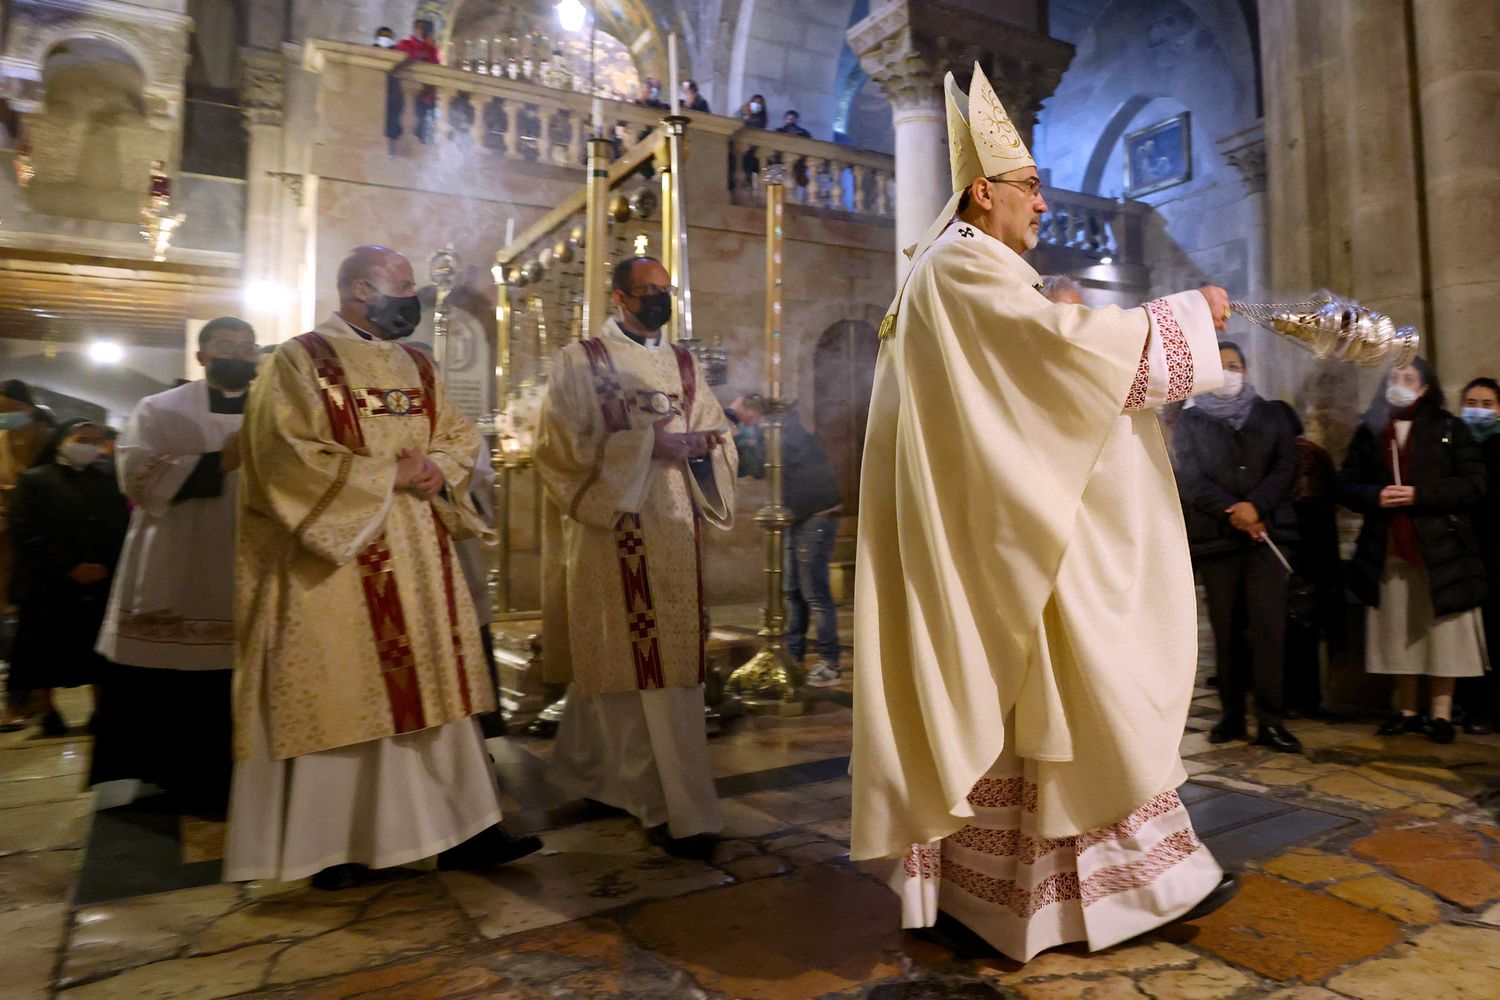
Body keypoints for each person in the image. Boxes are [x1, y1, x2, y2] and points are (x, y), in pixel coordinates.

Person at [852, 64, 1236, 963]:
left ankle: (996, 896)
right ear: (982, 192)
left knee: (1036, 718)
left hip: (1007, 526)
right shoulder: (961, 267)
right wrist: (1182, 321)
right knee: (1080, 697)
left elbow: (1030, 390)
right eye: (1030, 189)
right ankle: (1136, 891)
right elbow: (1056, 361)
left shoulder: (950, 271)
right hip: (1023, 539)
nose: (1042, 207)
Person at [225, 245, 541, 888]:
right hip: (336, 562)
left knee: (436, 696)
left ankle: (463, 832)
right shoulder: (299, 359)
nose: (413, 300)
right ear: (360, 290)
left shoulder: (417, 366)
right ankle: (340, 848)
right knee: (346, 697)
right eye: (403, 287)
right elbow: (281, 454)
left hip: (418, 556)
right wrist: (387, 471)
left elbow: (458, 436)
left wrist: (435, 468)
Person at [536, 255, 737, 860]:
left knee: (667, 668)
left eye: (665, 291)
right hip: (613, 530)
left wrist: (706, 448)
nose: (659, 300)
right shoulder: (581, 360)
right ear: (620, 297)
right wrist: (651, 445)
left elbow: (714, 430)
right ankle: (655, 801)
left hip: (675, 531)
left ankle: (604, 778)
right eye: (648, 291)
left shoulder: (683, 362)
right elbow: (561, 447)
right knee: (624, 665)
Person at [90, 317, 259, 816]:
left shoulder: (279, 411)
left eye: (248, 347)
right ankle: (173, 776)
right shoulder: (158, 409)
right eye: (226, 345)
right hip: (180, 554)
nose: (240, 354)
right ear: (202, 357)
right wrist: (219, 460)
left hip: (254, 553)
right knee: (181, 672)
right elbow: (136, 477)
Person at [1337, 359, 1488, 744]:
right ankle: (1406, 710)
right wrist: (1375, 495)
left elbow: (1473, 484)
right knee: (1399, 628)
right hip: (1388, 546)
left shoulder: (1448, 428)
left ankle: (1440, 712)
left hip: (1439, 546)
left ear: (1423, 388)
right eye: (1393, 377)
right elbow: (1347, 485)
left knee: (1442, 630)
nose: (1399, 383)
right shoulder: (1370, 431)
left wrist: (1421, 494)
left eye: (1408, 378)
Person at [1173, 343, 1302, 753]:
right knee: (1226, 631)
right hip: (1218, 537)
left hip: (1266, 534)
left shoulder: (1273, 414)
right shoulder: (1192, 421)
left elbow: (1286, 467)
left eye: (1234, 366)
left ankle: (1270, 720)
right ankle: (1231, 714)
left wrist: (1256, 506)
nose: (1228, 373)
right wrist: (1233, 510)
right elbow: (1190, 477)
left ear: (1246, 370)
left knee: (1268, 629)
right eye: (1220, 367)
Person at [8, 420, 130, 737]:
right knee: (43, 651)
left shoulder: (106, 481)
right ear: (62, 441)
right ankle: (47, 712)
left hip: (99, 579)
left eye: (94, 439)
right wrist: (68, 566)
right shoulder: (35, 481)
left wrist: (106, 563)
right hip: (49, 583)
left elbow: (122, 526)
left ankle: (101, 711)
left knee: (97, 653)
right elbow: (24, 530)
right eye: (81, 438)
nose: (88, 444)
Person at [730, 395, 843, 686]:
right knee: (793, 591)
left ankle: (830, 663)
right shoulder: (771, 429)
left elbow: (759, 463)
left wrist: (738, 434)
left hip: (816, 513)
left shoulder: (783, 430)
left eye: (742, 415)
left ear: (755, 413)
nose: (743, 422)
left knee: (814, 592)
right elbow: (751, 468)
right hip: (796, 514)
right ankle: (793, 657)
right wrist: (741, 435)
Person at [0, 380, 49, 731]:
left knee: (27, 625)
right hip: (4, 543)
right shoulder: (2, 440)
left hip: (35, 545)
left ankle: (31, 700)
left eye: (8, 408)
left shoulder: (45, 439)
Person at [1458, 377, 1500, 733]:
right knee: (1473, 636)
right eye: (1472, 402)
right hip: (1466, 554)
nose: (1478, 410)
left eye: (1487, 404)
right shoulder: (1454, 446)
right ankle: (1476, 706)